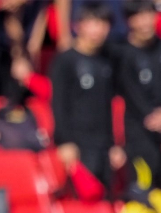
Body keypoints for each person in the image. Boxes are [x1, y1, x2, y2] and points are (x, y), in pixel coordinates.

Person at [50, 3, 122, 196]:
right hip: (77, 145)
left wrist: (114, 145)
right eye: (92, 23)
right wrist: (64, 142)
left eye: (103, 24)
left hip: (103, 145)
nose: (97, 30)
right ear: (77, 26)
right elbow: (59, 104)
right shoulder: (65, 61)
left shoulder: (107, 61)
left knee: (105, 201)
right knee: (81, 203)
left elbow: (109, 107)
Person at [113, 0, 161, 192]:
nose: (145, 22)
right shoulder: (121, 54)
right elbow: (135, 98)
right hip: (140, 137)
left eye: (149, 15)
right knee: (143, 194)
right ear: (128, 21)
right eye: (138, 17)